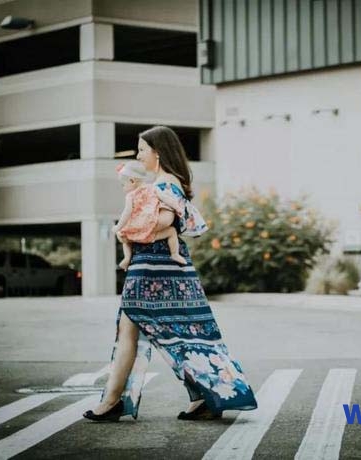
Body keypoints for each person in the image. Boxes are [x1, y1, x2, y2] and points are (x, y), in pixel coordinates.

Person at [83, 126, 257, 422]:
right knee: (182, 330)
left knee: (136, 329)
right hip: (160, 266)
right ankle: (206, 396)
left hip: (154, 267)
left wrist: (129, 230)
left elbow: (164, 222)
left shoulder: (163, 185)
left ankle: (113, 401)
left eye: (142, 150)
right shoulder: (165, 184)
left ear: (158, 153)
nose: (138, 155)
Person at [111, 160, 187, 269]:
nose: (123, 188)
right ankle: (175, 254)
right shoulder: (153, 188)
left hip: (136, 229)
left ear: (132, 181)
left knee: (123, 237)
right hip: (152, 227)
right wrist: (178, 208)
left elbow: (126, 213)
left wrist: (118, 226)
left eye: (123, 185)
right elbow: (166, 198)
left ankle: (127, 258)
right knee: (172, 231)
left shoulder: (130, 196)